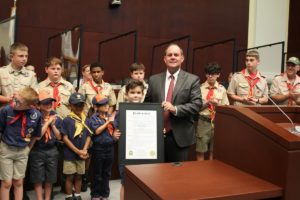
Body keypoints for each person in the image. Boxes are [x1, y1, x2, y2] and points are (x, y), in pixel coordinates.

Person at [145, 43, 202, 162]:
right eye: (169, 55)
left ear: (182, 58)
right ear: (164, 59)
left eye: (176, 55)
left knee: (177, 176)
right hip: (156, 135)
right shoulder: (153, 80)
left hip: (180, 137)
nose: (173, 57)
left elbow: (196, 105)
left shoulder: (192, 80)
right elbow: (147, 105)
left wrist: (175, 109)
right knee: (155, 175)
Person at [0, 87, 41, 200]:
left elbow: (36, 136)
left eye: (18, 102)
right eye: (15, 99)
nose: (15, 103)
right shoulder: (6, 110)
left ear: (30, 105)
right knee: (6, 183)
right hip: (6, 149)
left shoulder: (36, 115)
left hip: (23, 151)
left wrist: (28, 149)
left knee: (18, 182)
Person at [29, 89, 62, 200]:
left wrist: (52, 125)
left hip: (52, 150)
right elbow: (37, 136)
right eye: (45, 103)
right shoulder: (35, 117)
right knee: (37, 178)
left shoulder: (55, 116)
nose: (48, 105)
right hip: (37, 150)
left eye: (50, 102)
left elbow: (59, 137)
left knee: (50, 178)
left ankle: (47, 198)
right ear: (38, 105)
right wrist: (47, 122)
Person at [116, 79, 144, 200]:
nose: (136, 95)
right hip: (127, 154)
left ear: (143, 94)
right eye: (132, 92)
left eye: (138, 92)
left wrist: (159, 132)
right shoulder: (120, 112)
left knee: (144, 184)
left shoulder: (151, 111)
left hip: (144, 153)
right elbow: (115, 130)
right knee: (125, 183)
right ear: (126, 94)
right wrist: (114, 134)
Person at [61, 92, 92, 200]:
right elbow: (64, 138)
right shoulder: (66, 120)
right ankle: (69, 196)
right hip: (69, 154)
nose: (79, 107)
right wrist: (77, 151)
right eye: (76, 105)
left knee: (79, 176)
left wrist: (84, 149)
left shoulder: (86, 120)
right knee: (70, 176)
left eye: (81, 105)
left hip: (82, 154)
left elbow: (88, 136)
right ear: (70, 105)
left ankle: (78, 195)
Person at [196, 62, 229, 161]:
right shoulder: (199, 88)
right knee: (200, 149)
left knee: (213, 151)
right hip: (203, 121)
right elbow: (195, 107)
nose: (210, 76)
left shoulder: (222, 89)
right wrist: (208, 102)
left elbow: (226, 108)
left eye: (213, 74)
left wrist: (217, 105)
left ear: (218, 74)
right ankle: (200, 173)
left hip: (217, 122)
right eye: (208, 74)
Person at [89, 94, 119, 200]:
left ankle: (105, 194)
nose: (106, 106)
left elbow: (115, 129)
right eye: (103, 104)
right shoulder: (93, 118)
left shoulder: (110, 117)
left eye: (107, 103)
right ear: (96, 107)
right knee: (97, 173)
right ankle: (96, 194)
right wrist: (107, 123)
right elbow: (96, 131)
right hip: (98, 148)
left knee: (107, 172)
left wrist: (115, 136)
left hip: (110, 147)